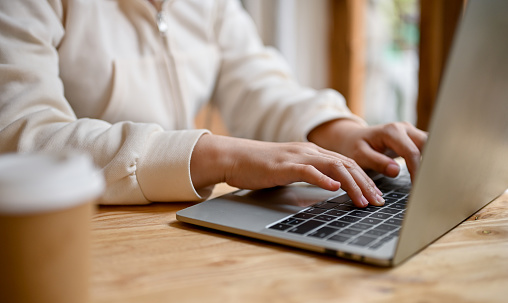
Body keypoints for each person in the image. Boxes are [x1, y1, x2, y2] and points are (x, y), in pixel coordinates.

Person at [0, 0, 426, 207]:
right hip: (68, 239)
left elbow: (257, 84)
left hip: (171, 230)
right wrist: (219, 155)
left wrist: (339, 133)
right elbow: (20, 133)